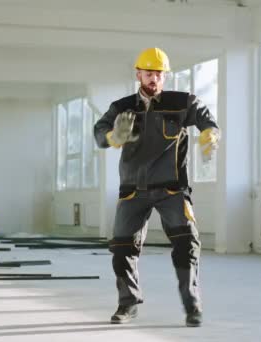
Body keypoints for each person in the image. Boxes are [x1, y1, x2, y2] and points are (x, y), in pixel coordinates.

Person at [93, 47, 220, 327]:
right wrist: (114, 136)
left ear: (165, 75)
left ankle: (192, 306)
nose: (154, 79)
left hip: (172, 190)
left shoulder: (181, 102)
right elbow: (99, 133)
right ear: (138, 74)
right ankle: (127, 304)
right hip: (132, 191)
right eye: (149, 73)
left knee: (187, 244)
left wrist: (211, 133)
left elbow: (205, 119)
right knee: (122, 247)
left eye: (159, 74)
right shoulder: (122, 107)